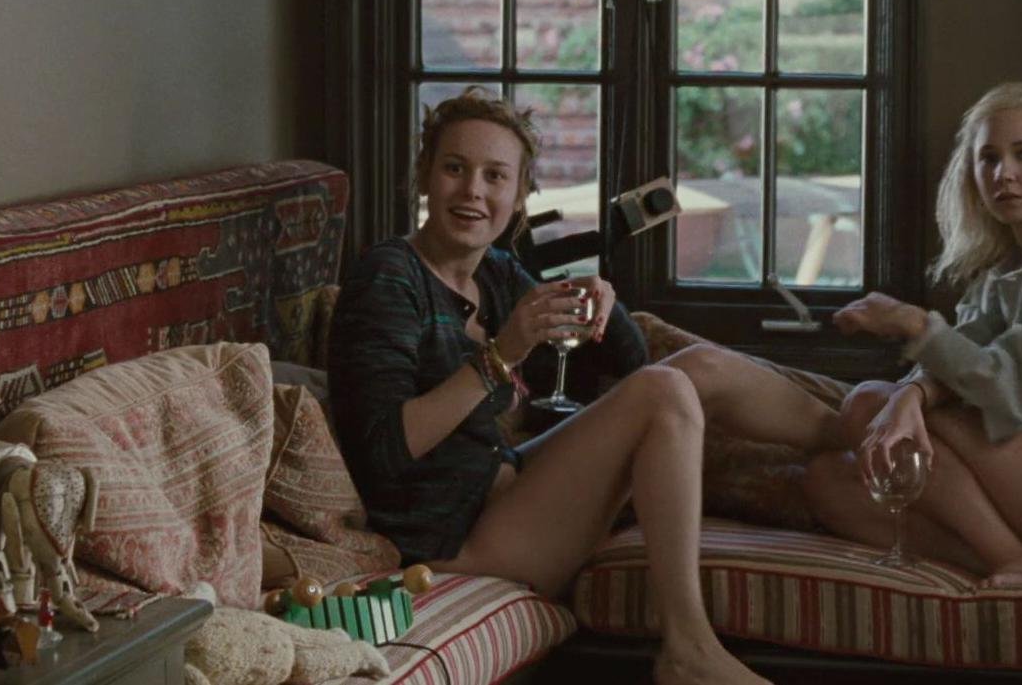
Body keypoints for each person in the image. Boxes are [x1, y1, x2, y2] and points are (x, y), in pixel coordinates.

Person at [665, 81, 1022, 587]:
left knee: (869, 405)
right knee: (828, 481)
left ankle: (1012, 559)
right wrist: (914, 395)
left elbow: (1017, 391)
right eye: (988, 158)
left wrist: (914, 327)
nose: (1004, 174)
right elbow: (962, 357)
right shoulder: (1007, 270)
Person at [327, 86, 769, 685]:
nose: (473, 190)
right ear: (425, 176)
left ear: (519, 196)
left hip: (505, 494)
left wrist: (602, 300)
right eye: (454, 168)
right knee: (664, 392)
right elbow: (381, 451)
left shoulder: (494, 271)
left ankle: (847, 427)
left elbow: (629, 365)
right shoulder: (387, 278)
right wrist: (500, 355)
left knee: (674, 383)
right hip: (452, 541)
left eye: (495, 176)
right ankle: (689, 648)